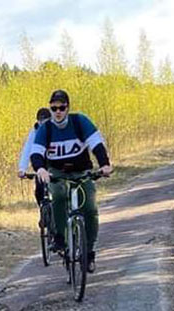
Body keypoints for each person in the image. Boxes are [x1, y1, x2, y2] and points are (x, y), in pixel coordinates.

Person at [30, 89, 113, 272]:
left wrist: (104, 165)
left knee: (90, 208)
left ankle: (89, 251)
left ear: (68, 108)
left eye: (61, 107)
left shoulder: (80, 122)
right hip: (57, 172)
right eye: (54, 108)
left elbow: (96, 144)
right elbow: (36, 152)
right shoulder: (46, 129)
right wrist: (40, 168)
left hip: (81, 171)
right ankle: (60, 237)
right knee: (58, 195)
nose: (57, 112)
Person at [18, 107, 51, 206]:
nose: (43, 125)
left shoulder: (56, 130)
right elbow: (28, 148)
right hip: (40, 163)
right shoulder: (35, 132)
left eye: (46, 122)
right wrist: (22, 168)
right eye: (41, 122)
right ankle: (43, 212)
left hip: (55, 163)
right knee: (39, 191)